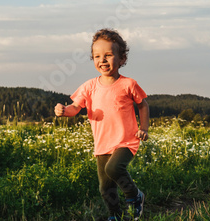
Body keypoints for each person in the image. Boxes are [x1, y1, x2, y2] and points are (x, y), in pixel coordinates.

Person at [54, 28, 150, 221]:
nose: (102, 60)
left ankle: (134, 196)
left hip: (126, 140)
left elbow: (143, 104)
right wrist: (64, 111)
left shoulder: (128, 84)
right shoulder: (89, 86)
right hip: (102, 144)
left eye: (108, 55)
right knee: (105, 187)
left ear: (122, 59)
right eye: (97, 56)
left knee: (114, 169)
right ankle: (115, 215)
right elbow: (75, 107)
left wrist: (144, 128)